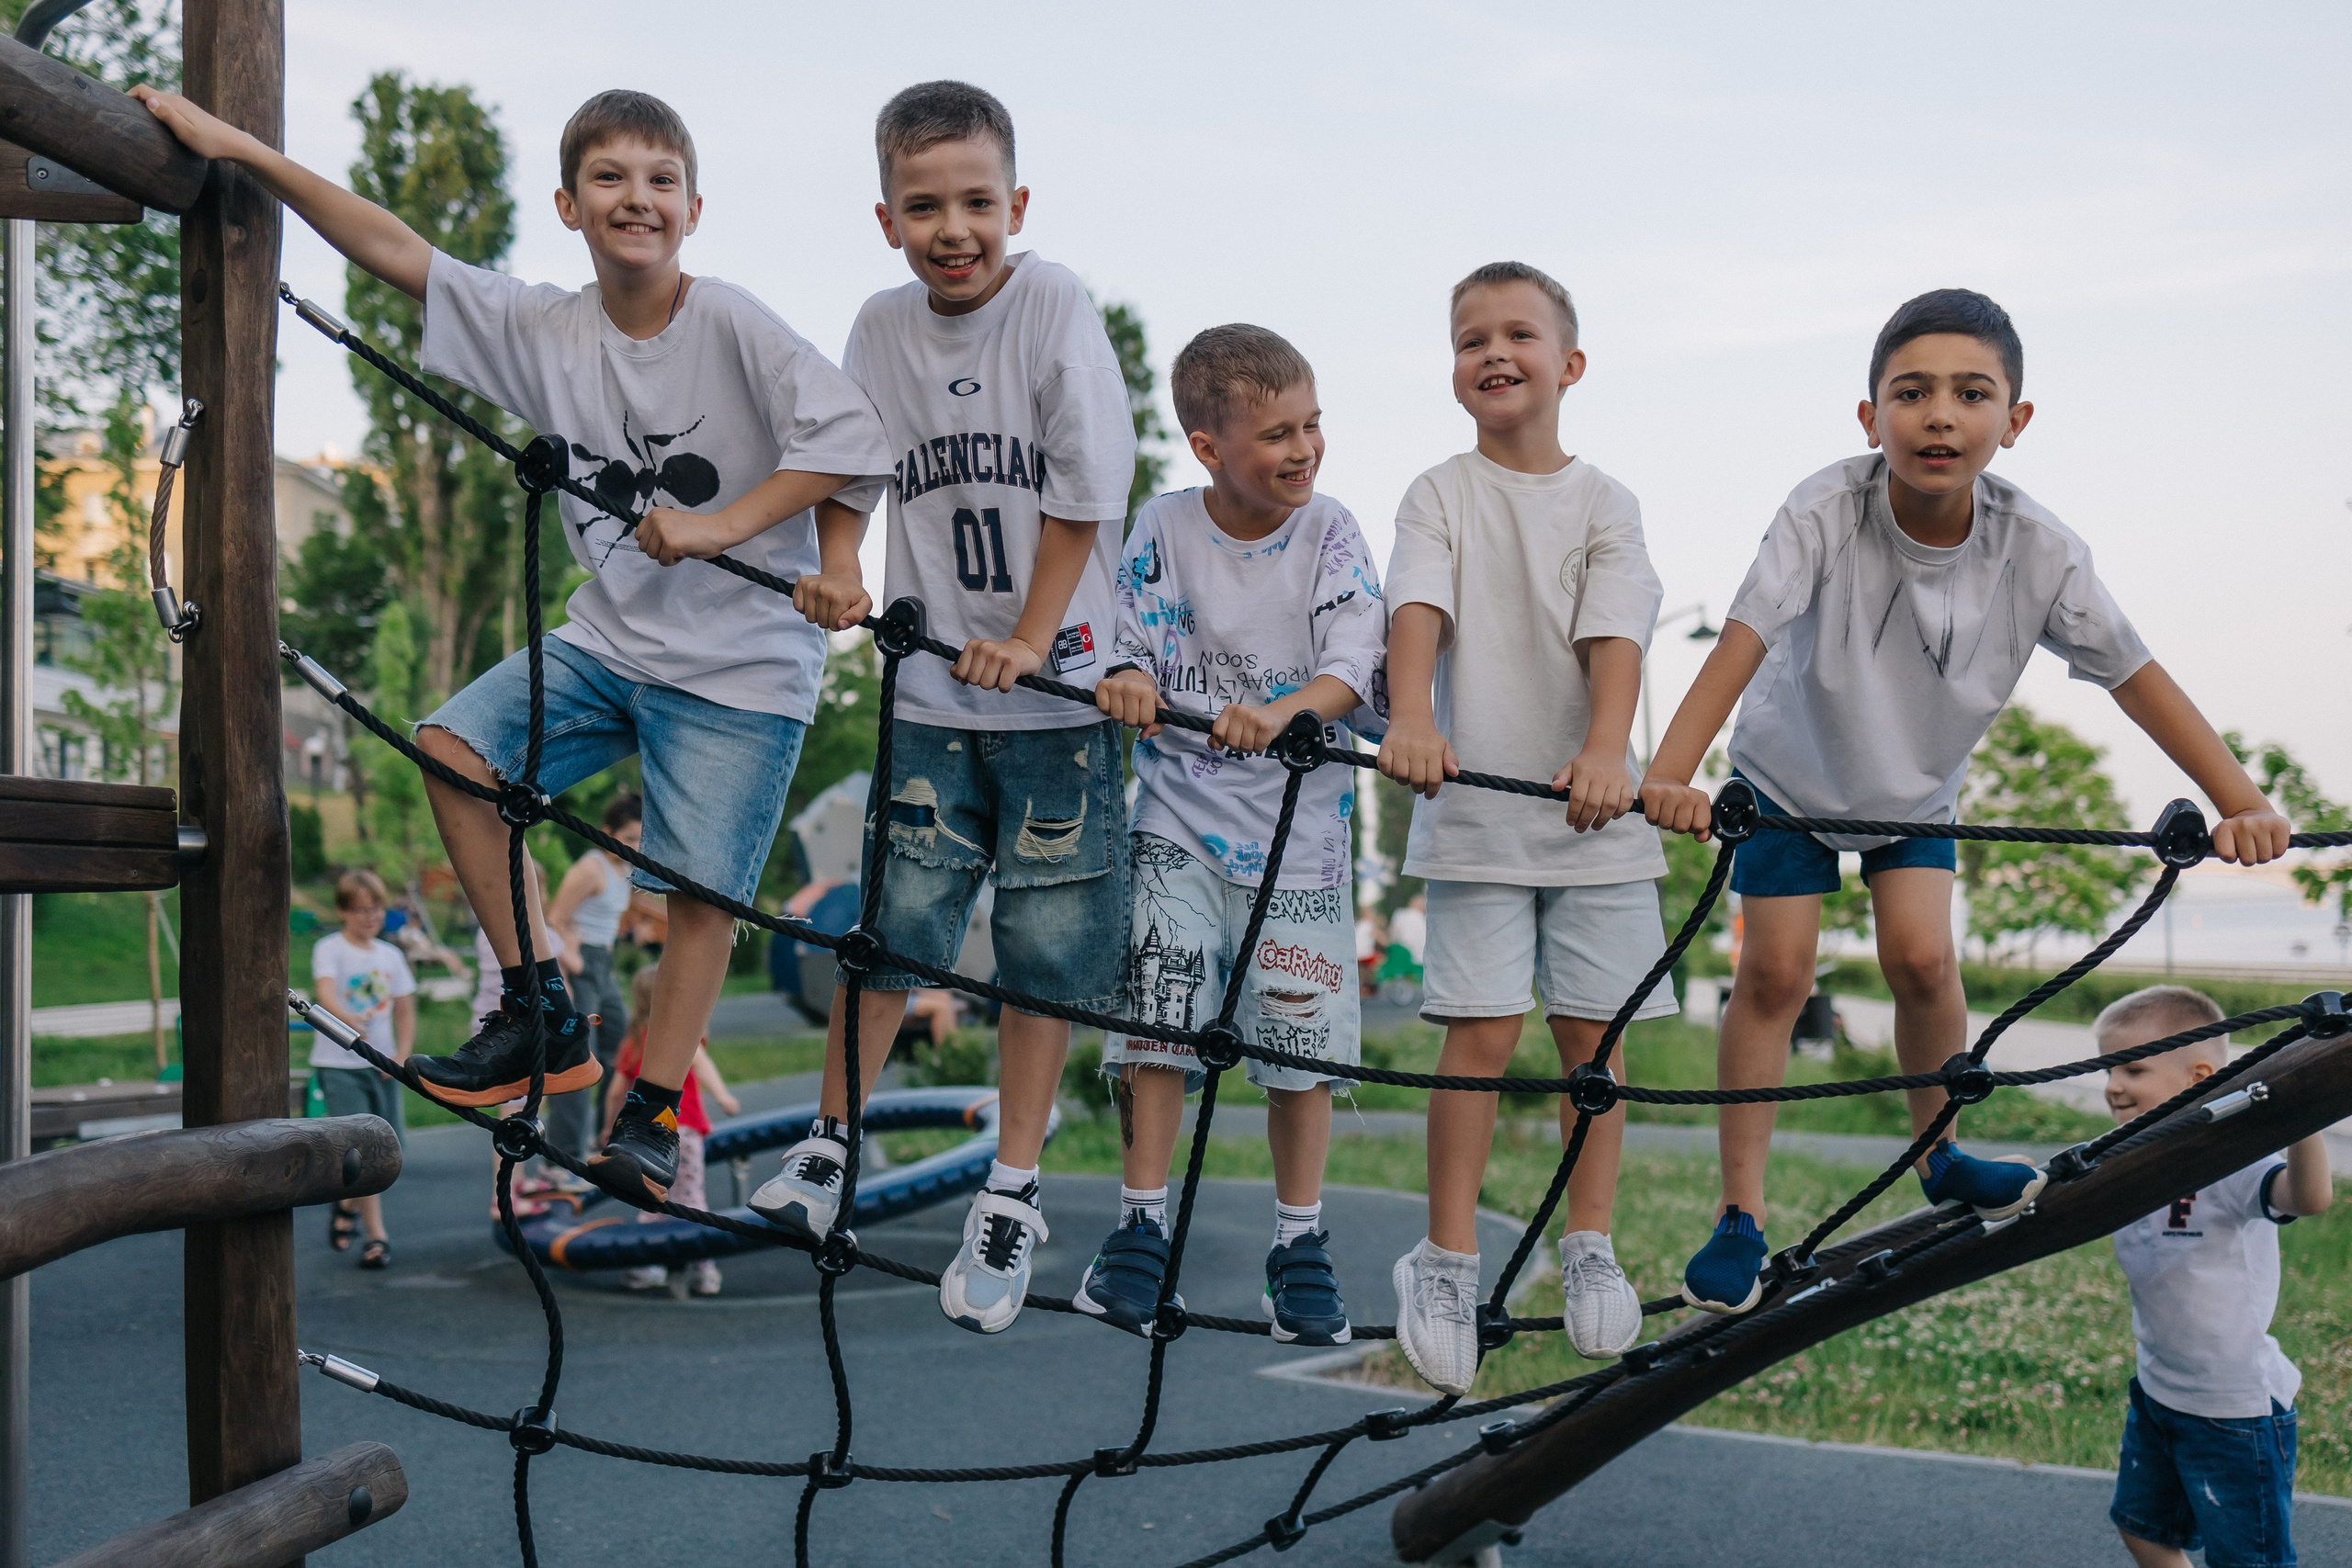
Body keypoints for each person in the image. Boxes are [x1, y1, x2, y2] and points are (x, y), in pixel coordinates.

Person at [133, 86, 894, 1208]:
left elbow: (848, 434)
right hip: (612, 640)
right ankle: (540, 1007)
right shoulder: (543, 327)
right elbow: (395, 246)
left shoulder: (725, 318)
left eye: (659, 181)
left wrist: (796, 551)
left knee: (697, 896)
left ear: (693, 208)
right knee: (454, 751)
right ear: (568, 205)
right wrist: (239, 148)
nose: (636, 199)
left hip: (744, 665)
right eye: (609, 180)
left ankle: (648, 1112)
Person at [1638, 288, 2293, 1318]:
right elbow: (1743, 638)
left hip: (1912, 791)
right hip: (1786, 779)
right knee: (1772, 972)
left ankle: (1939, 1156)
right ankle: (1739, 1214)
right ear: (1868, 418)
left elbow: (2137, 675)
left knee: (1923, 961)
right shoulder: (1823, 510)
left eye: (1970, 393)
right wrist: (1670, 770)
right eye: (1910, 392)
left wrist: (2239, 799)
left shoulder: (2038, 550)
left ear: (2013, 422)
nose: (1938, 415)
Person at [750, 80, 1136, 1337]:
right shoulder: (879, 325)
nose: (953, 226)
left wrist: (1030, 637)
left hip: (1061, 690)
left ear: (1016, 205)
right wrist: (845, 559)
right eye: (925, 206)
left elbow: (1081, 487)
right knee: (892, 923)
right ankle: (831, 1139)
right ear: (886, 219)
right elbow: (854, 456)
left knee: (1041, 954)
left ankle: (1012, 1187)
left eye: (977, 201)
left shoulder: (1053, 303)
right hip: (931, 686)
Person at [1378, 262, 1676, 1392]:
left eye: (1516, 334)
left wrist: (1609, 750)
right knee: (1482, 1038)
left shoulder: (1607, 501)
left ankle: (1587, 1247)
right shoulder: (1437, 491)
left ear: (1570, 364)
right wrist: (1411, 717)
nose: (1491, 352)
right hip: (1477, 810)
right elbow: (1419, 606)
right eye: (1469, 339)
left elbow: (1617, 631)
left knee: (1594, 1045)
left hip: (1592, 818)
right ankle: (1446, 1257)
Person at [1083, 324, 1386, 1345]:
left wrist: (1291, 708)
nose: (1301, 449)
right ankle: (1139, 1226)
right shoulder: (1164, 527)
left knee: (1297, 1048)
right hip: (1176, 818)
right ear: (1208, 446)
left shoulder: (1330, 531)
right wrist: (1126, 677)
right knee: (1156, 1016)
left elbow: (1354, 660)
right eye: (1273, 434)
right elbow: (1125, 639)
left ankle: (1297, 1240)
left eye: (1310, 426)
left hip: (1299, 839)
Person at [2093, 986, 2329, 1568]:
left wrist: (2304, 1120)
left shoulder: (2231, 1158)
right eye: (2106, 1069)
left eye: (2132, 1067)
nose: (2112, 1084)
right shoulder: (2120, 1153)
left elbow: (2308, 1196)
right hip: (2157, 1391)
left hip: (2234, 1411)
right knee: (2142, 1529)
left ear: (2199, 1074)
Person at [604, 965, 741, 1297]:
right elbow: (702, 1062)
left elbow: (614, 1092)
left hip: (645, 1140)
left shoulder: (634, 1042)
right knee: (692, 1201)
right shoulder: (679, 1036)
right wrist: (722, 1095)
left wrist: (610, 1129)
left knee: (651, 1201)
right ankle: (703, 1271)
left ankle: (643, 1266)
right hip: (685, 1134)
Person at [309, 869, 417, 1269]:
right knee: (363, 1152)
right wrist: (350, 1019)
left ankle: (345, 1205)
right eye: (359, 910)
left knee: (392, 1152)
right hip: (340, 1064)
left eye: (375, 909)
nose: (369, 917)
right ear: (342, 912)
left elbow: (405, 1010)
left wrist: (401, 1055)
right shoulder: (330, 948)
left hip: (382, 1066)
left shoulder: (391, 956)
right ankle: (377, 1237)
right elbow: (324, 994)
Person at [547, 795, 643, 1155]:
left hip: (603, 964)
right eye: (629, 838)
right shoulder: (589, 868)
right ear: (607, 833)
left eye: (639, 839)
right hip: (581, 962)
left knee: (620, 1046)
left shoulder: (622, 869)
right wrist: (574, 964)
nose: (634, 846)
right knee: (578, 1059)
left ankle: (605, 1135)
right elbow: (554, 920)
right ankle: (563, 1155)